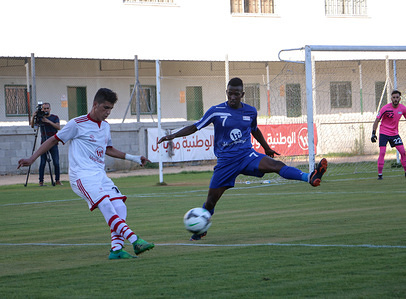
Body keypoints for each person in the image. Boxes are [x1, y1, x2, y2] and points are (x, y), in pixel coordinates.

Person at [158, 77, 328, 241]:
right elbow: (195, 127)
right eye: (230, 93)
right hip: (226, 162)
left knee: (276, 165)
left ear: (242, 94)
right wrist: (172, 136)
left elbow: (254, 130)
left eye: (236, 94)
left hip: (247, 155)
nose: (233, 97)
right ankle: (200, 231)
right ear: (226, 92)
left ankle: (310, 177)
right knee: (210, 202)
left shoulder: (250, 111)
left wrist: (266, 147)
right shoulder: (216, 111)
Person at [19, 88, 154, 259]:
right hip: (81, 176)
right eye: (105, 108)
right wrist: (32, 158)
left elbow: (108, 149)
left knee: (120, 206)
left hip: (99, 175)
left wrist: (134, 158)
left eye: (110, 109)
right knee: (105, 205)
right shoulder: (77, 123)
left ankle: (117, 250)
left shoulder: (105, 126)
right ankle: (135, 240)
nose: (108, 112)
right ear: (95, 104)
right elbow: (53, 139)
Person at [371, 89, 406, 180]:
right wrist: (373, 133)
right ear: (391, 98)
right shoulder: (385, 108)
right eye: (394, 97)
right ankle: (380, 175)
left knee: (403, 152)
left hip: (395, 134)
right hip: (384, 133)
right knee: (382, 152)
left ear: (400, 99)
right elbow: (377, 120)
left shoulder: (402, 108)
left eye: (397, 97)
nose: (395, 99)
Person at [30, 102, 62, 186]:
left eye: (47, 108)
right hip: (44, 143)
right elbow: (33, 126)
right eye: (44, 109)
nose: (46, 110)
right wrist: (34, 117)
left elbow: (58, 127)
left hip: (54, 143)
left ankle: (57, 180)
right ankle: (41, 181)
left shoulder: (55, 117)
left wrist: (47, 121)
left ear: (50, 109)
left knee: (56, 162)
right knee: (43, 163)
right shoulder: (40, 118)